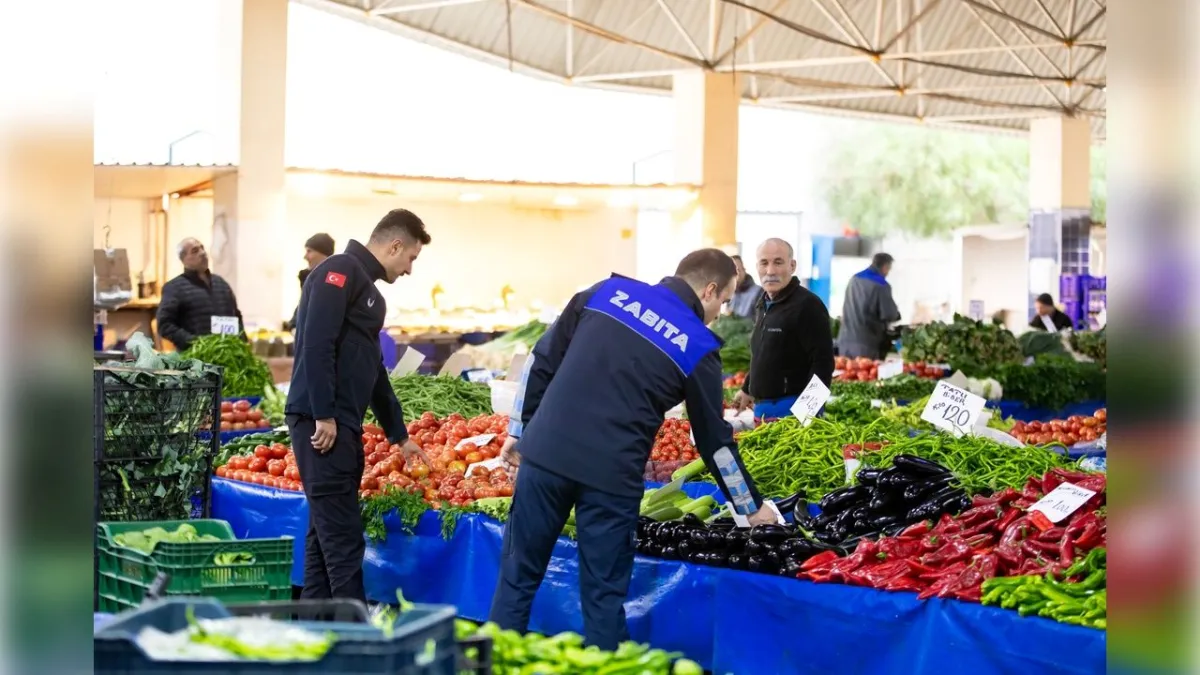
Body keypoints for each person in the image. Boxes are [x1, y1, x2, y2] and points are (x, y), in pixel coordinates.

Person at [489, 249, 776, 649]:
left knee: (516, 580)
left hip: (546, 456)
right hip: (610, 477)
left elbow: (542, 359)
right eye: (725, 301)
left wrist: (519, 431)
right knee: (603, 601)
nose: (721, 312)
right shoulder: (698, 346)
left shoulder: (607, 292)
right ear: (709, 291)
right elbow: (715, 442)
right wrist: (749, 507)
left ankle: (488, 664)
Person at [285, 209, 432, 602]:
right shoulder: (341, 271)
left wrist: (400, 436)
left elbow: (374, 370)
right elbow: (316, 343)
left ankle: (315, 633)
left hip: (342, 424)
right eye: (411, 259)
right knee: (345, 542)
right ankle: (358, 643)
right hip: (322, 426)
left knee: (324, 540)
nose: (409, 270)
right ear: (395, 245)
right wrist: (323, 414)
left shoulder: (365, 288)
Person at [733, 239, 835, 421]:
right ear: (757, 267)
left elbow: (823, 363)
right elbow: (762, 353)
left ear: (792, 265)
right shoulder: (763, 303)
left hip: (791, 412)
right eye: (764, 263)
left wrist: (806, 414)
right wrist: (747, 388)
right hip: (762, 410)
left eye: (778, 262)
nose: (770, 271)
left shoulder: (808, 305)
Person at [156, 238, 243, 351]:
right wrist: (194, 343)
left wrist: (242, 344)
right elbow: (164, 325)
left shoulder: (221, 284)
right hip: (196, 358)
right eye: (195, 251)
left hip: (228, 356)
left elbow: (236, 316)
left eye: (202, 248)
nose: (202, 253)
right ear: (184, 259)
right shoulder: (174, 288)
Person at [838, 252, 902, 360]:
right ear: (885, 267)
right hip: (866, 345)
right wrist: (897, 314)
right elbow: (889, 314)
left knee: (846, 374)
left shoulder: (854, 279)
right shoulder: (881, 285)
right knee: (865, 375)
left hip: (845, 342)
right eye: (889, 269)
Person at [284, 233, 336, 332]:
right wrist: (293, 326)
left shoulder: (333, 284)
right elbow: (302, 308)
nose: (305, 256)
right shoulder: (308, 279)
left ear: (323, 254)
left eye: (309, 251)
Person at [726, 254, 763, 319]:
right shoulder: (729, 294)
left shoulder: (759, 292)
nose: (735, 274)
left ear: (744, 270)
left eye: (738, 270)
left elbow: (761, 321)